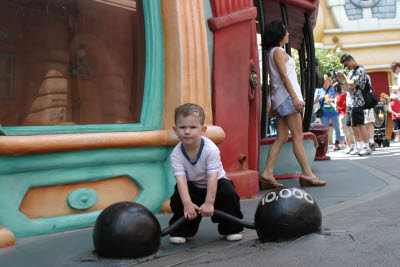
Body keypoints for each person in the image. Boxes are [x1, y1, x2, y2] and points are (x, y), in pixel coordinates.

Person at [260, 20, 326, 188]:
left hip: (281, 99)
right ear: (278, 34)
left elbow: (274, 79)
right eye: (285, 31)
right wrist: (295, 97)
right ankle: (307, 173)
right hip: (288, 98)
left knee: (281, 138)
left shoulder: (272, 52)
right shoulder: (278, 52)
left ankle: (268, 172)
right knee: (298, 137)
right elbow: (284, 77)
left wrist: (273, 104)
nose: (288, 33)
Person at [168, 103, 244, 244]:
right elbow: (181, 181)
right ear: (175, 129)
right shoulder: (176, 154)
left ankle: (232, 228)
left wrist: (209, 202)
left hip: (216, 183)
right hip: (194, 185)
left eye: (192, 127)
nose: (187, 132)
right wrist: (187, 203)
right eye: (182, 127)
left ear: (202, 130)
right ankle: (181, 230)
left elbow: (212, 178)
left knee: (228, 193)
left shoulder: (210, 149)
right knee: (179, 196)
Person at [336, 54, 371, 156]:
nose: (347, 67)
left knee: (360, 124)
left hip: (358, 101)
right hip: (350, 102)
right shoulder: (351, 72)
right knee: (353, 125)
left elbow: (352, 84)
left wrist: (345, 76)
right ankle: (359, 146)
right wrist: (341, 80)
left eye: (347, 64)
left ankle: (366, 146)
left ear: (351, 60)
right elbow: (346, 89)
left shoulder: (360, 70)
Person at [315, 76, 344, 150]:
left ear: (329, 82)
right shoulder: (319, 90)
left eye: (327, 82)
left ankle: (342, 144)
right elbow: (315, 101)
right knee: (325, 129)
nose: (325, 83)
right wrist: (317, 97)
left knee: (338, 128)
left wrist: (332, 99)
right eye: (324, 82)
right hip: (324, 113)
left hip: (334, 111)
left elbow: (339, 96)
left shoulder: (333, 88)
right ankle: (325, 146)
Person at [334, 81, 355, 153]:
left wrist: (331, 104)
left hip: (342, 115)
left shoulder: (337, 98)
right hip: (350, 113)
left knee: (346, 132)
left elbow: (336, 109)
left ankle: (349, 147)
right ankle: (357, 145)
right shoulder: (347, 95)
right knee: (354, 131)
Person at [364, 74, 377, 151]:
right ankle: (369, 142)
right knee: (367, 123)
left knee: (368, 122)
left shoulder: (364, 76)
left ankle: (371, 142)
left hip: (367, 100)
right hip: (365, 101)